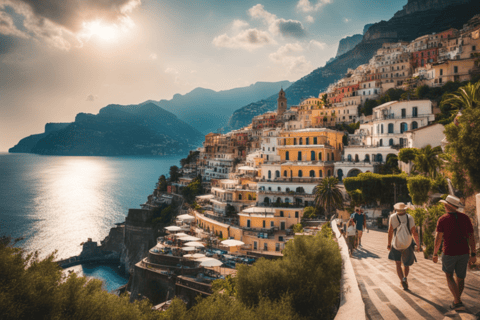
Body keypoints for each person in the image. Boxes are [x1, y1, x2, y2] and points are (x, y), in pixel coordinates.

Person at [433, 195, 477, 310]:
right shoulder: (465, 218)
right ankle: (456, 301)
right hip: (464, 252)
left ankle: (457, 301)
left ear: (447, 206)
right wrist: (473, 254)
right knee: (461, 277)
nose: (443, 206)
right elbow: (472, 237)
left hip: (449, 252)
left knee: (449, 275)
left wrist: (434, 253)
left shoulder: (442, 219)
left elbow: (438, 239)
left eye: (444, 204)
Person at [387, 202, 421, 290]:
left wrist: (389, 243)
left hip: (396, 244)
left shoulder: (393, 217)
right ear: (405, 209)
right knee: (406, 264)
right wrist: (418, 244)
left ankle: (401, 280)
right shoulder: (410, 217)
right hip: (407, 243)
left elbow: (390, 231)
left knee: (398, 264)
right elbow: (414, 232)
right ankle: (405, 277)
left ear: (396, 209)